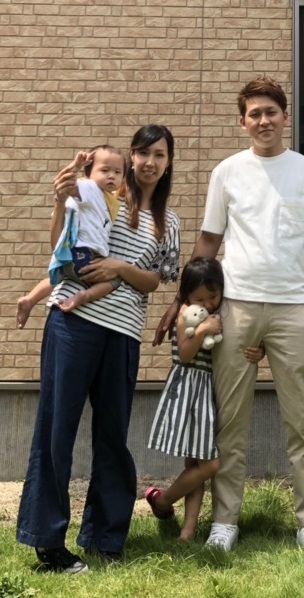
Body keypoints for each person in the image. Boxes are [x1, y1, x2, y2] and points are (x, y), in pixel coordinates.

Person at [154, 76, 304, 556]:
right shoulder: (228, 171)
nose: (263, 121)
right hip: (234, 307)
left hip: (293, 308)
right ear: (242, 122)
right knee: (230, 423)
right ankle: (225, 521)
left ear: (285, 117)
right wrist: (181, 300)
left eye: (271, 112)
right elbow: (209, 240)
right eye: (254, 114)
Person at [16, 124, 180, 574]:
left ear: (168, 163)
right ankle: (48, 541)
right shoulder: (98, 193)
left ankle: (105, 537)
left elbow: (157, 280)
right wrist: (59, 200)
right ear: (130, 158)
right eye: (142, 153)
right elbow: (60, 246)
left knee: (112, 437)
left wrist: (120, 266)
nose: (150, 162)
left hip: (123, 332)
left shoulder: (168, 222)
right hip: (74, 322)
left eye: (159, 155)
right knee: (56, 429)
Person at [145, 257, 264, 541]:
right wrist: (202, 330)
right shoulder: (185, 314)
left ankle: (187, 532)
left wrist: (259, 352)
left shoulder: (217, 314)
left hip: (207, 392)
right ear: (186, 295)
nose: (208, 303)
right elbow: (186, 355)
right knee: (209, 465)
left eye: (213, 296)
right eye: (200, 298)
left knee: (196, 465)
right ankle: (163, 500)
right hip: (188, 392)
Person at [16, 145, 126, 328]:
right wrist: (76, 165)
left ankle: (30, 299)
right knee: (115, 280)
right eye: (105, 170)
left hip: (72, 256)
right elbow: (69, 184)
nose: (111, 176)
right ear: (89, 173)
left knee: (60, 277)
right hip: (86, 255)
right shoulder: (91, 188)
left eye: (117, 172)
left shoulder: (107, 198)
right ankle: (83, 296)